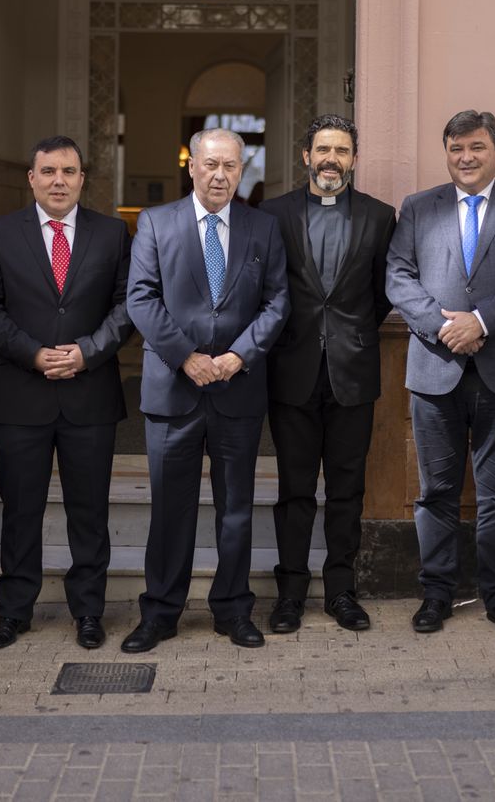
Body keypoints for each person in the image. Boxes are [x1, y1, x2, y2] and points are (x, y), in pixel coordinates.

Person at [385, 110, 495, 638]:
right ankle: (435, 594)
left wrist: (481, 321)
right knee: (435, 491)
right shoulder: (418, 207)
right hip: (436, 370)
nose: (466, 157)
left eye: (477, 147)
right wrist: (444, 329)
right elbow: (398, 275)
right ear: (447, 153)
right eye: (457, 148)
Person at [121, 127, 289, 652]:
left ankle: (233, 609)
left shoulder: (263, 227)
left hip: (238, 388)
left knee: (236, 507)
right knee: (171, 508)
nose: (220, 175)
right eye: (211, 165)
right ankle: (161, 612)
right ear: (191, 166)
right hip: (174, 388)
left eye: (232, 166)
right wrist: (187, 357)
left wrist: (238, 356)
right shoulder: (155, 223)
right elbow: (141, 299)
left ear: (243, 171)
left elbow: (278, 302)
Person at [0, 135, 135, 651]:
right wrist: (33, 353)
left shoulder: (112, 234)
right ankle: (14, 611)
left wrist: (88, 350)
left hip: (90, 392)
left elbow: (128, 304)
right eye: (48, 172)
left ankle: (89, 611)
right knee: (20, 508)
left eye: (68, 171)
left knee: (90, 509)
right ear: (31, 178)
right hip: (23, 392)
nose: (58, 181)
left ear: (84, 178)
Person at [260, 114, 396, 633]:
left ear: (354, 159)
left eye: (341, 151)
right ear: (306, 157)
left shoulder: (381, 218)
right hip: (291, 372)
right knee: (294, 490)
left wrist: (351, 333)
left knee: (347, 489)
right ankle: (290, 594)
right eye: (323, 150)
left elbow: (382, 292)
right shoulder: (273, 215)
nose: (331, 160)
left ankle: (342, 592)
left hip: (353, 372)